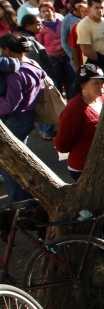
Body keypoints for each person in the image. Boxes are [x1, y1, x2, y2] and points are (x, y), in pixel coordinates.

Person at [54, 63, 104, 249]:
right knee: (95, 209)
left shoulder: (101, 100)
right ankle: (97, 247)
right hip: (84, 168)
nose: (101, 86)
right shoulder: (73, 110)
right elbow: (61, 144)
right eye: (96, 83)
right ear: (83, 85)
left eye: (102, 82)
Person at [0, 34, 46, 204]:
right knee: (21, 162)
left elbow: (9, 104)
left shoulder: (15, 74)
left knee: (10, 167)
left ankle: (19, 206)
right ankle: (28, 201)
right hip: (27, 118)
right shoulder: (32, 63)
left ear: (7, 50)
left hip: (15, 121)